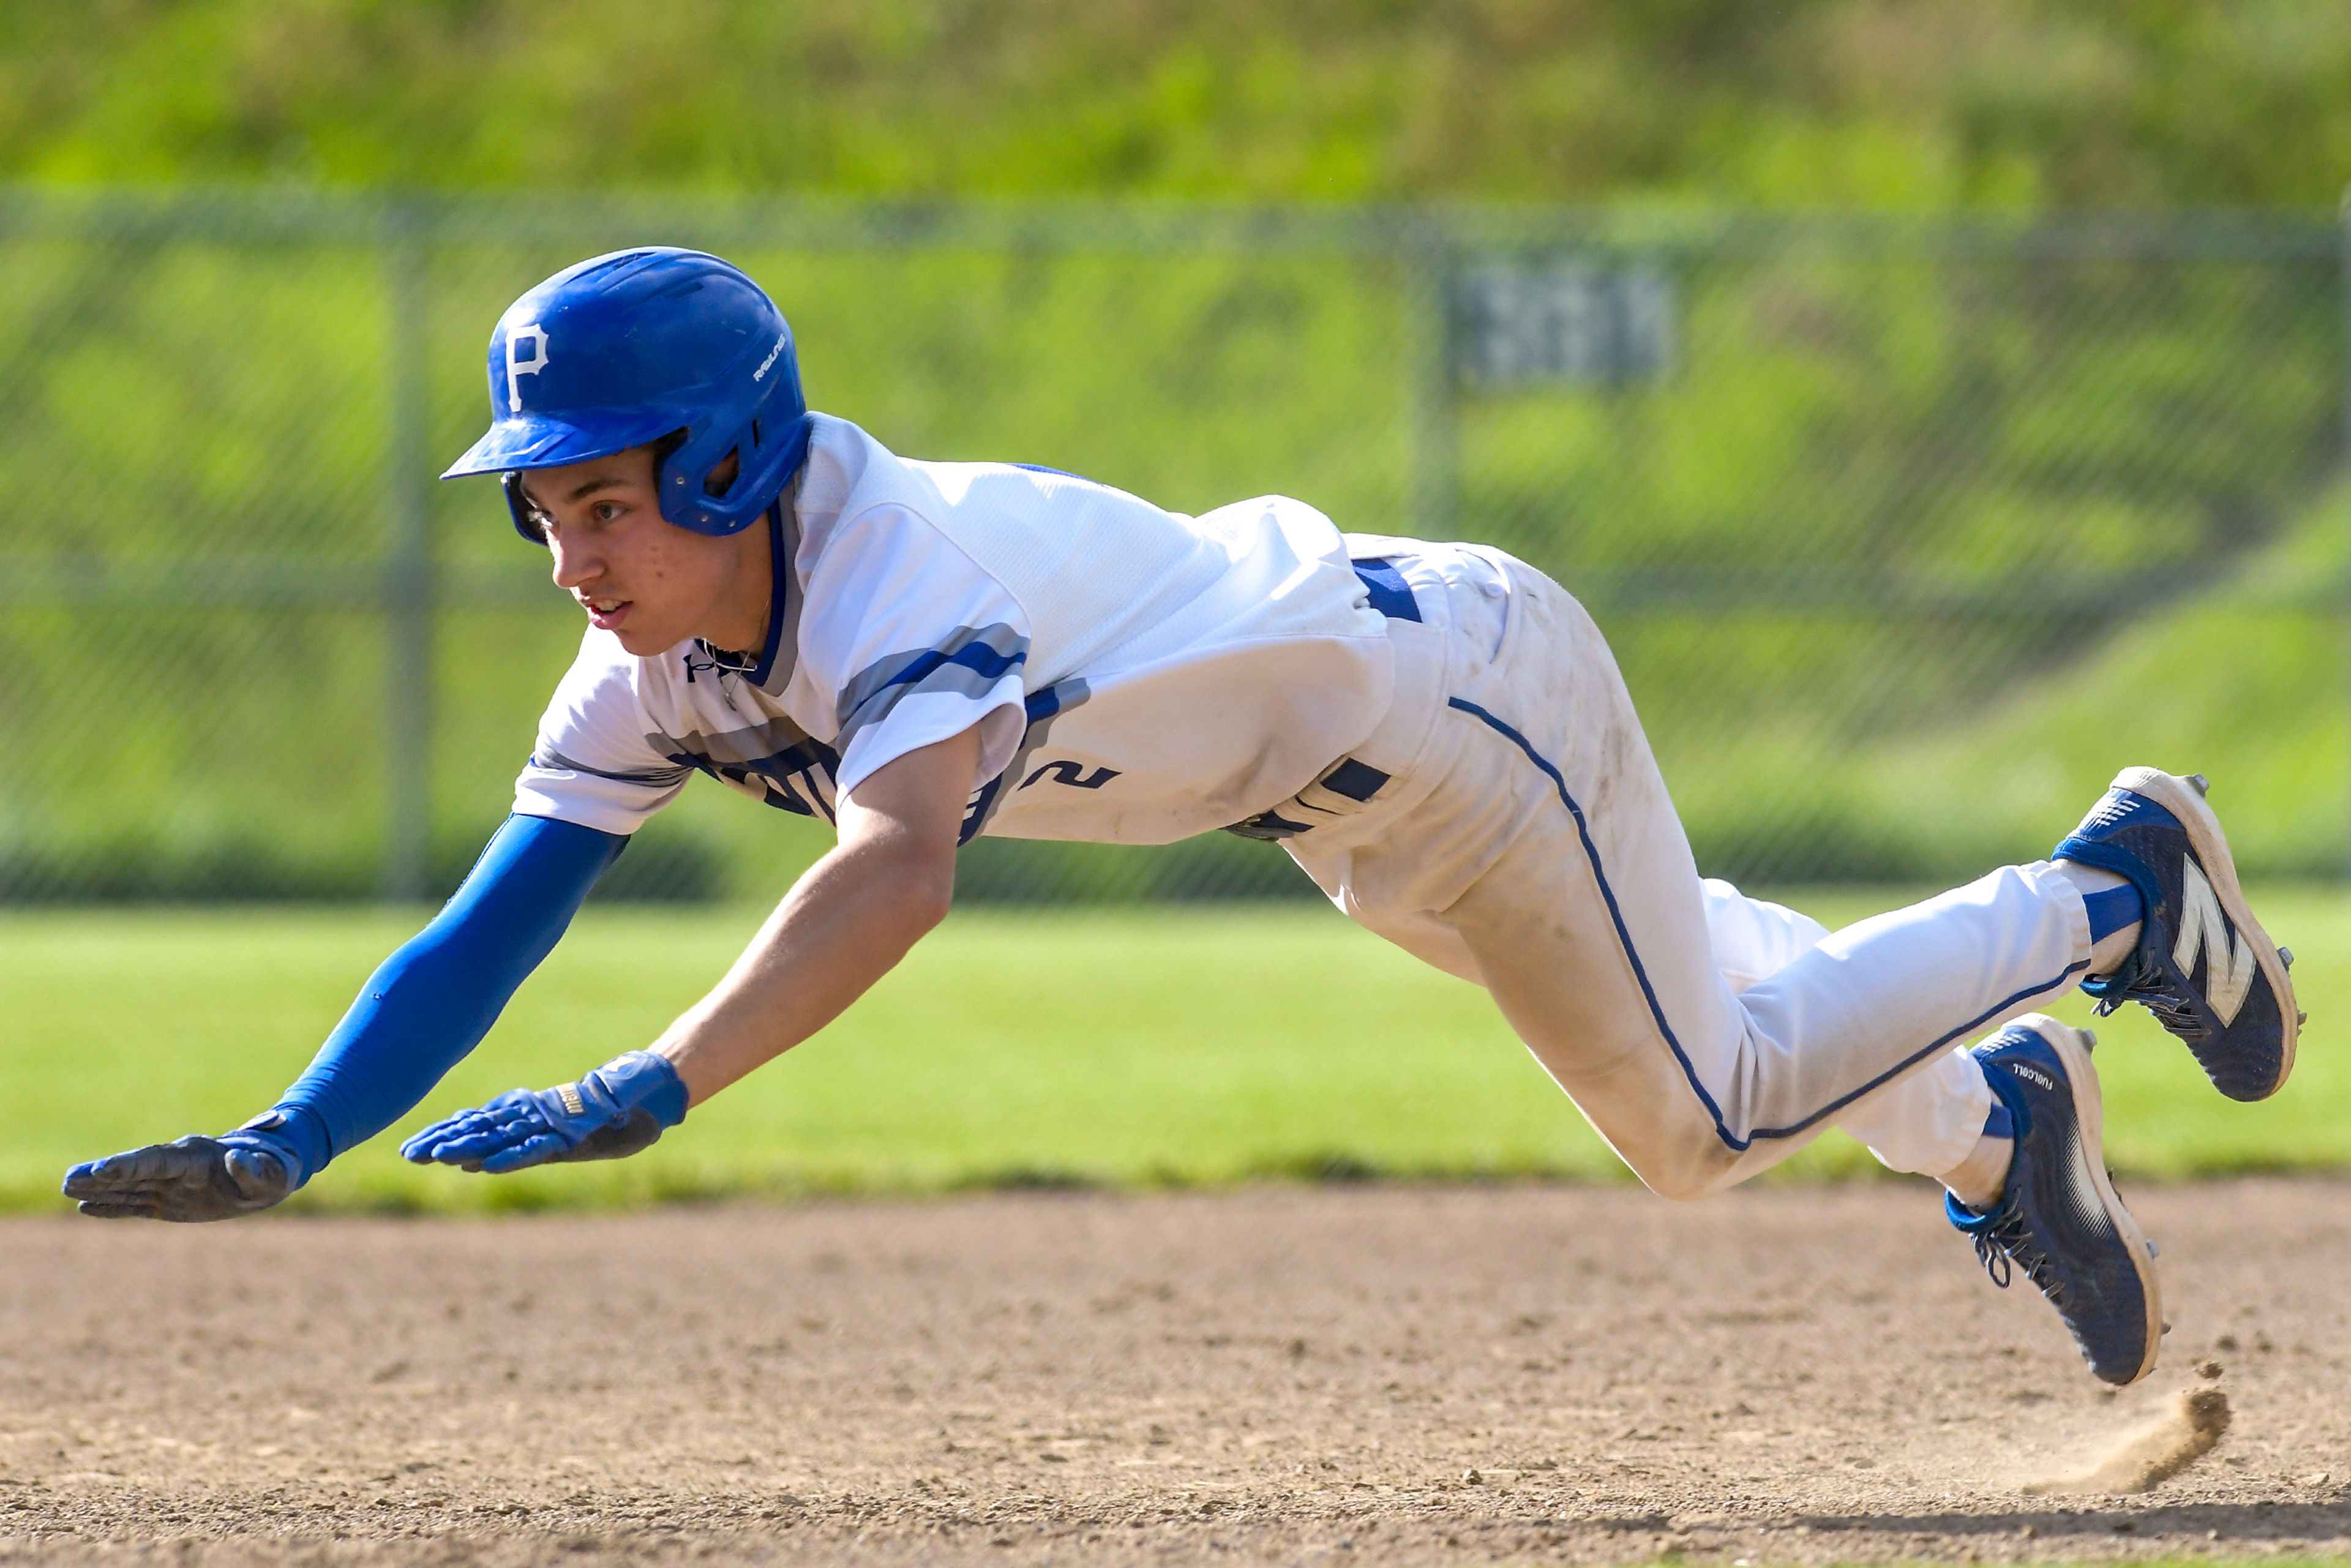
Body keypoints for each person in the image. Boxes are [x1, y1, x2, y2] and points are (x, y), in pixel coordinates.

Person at [64, 248, 2301, 1387]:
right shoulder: (655, 656)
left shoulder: (892, 585)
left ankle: (2111, 891)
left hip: (1456, 709)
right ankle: (2008, 1117)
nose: (574, 554)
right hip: (1345, 788)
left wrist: (658, 1084)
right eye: (543, 512)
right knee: (1725, 1013)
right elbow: (491, 921)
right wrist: (294, 1133)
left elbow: (898, 862)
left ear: (735, 466)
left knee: (1704, 1114)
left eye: (609, 499)